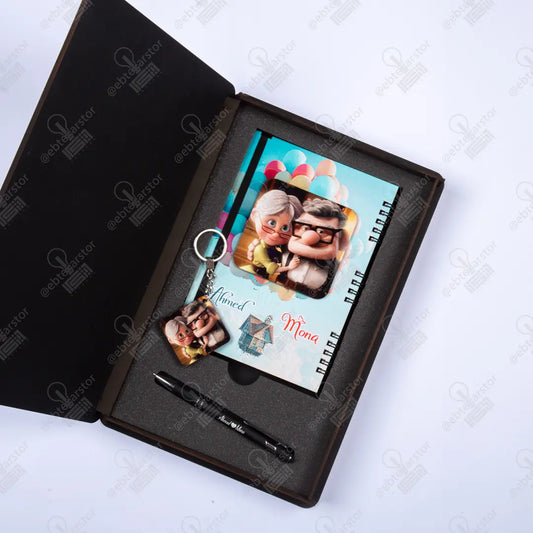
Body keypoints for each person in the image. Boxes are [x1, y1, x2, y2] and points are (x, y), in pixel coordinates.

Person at [278, 198, 348, 298]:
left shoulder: (337, 269)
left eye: (322, 232)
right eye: (305, 228)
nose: (310, 238)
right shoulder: (281, 251)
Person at [248, 189, 303, 279]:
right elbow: (272, 269)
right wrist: (289, 267)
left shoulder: (274, 247)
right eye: (272, 223)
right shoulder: (260, 249)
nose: (276, 234)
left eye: (285, 228)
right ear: (254, 214)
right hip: (255, 274)